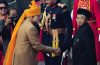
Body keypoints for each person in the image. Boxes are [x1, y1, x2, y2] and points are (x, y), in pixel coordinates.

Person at [3, 1, 61, 65]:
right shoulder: (31, 28)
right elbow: (37, 46)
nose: (40, 18)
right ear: (32, 17)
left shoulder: (24, 23)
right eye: (38, 16)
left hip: (20, 59)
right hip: (26, 60)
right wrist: (53, 50)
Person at [41, 0, 73, 65]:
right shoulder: (48, 8)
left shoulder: (63, 8)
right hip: (49, 40)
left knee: (58, 61)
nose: (46, 2)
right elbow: (45, 27)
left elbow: (69, 28)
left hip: (60, 39)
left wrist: (64, 45)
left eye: (47, 0)